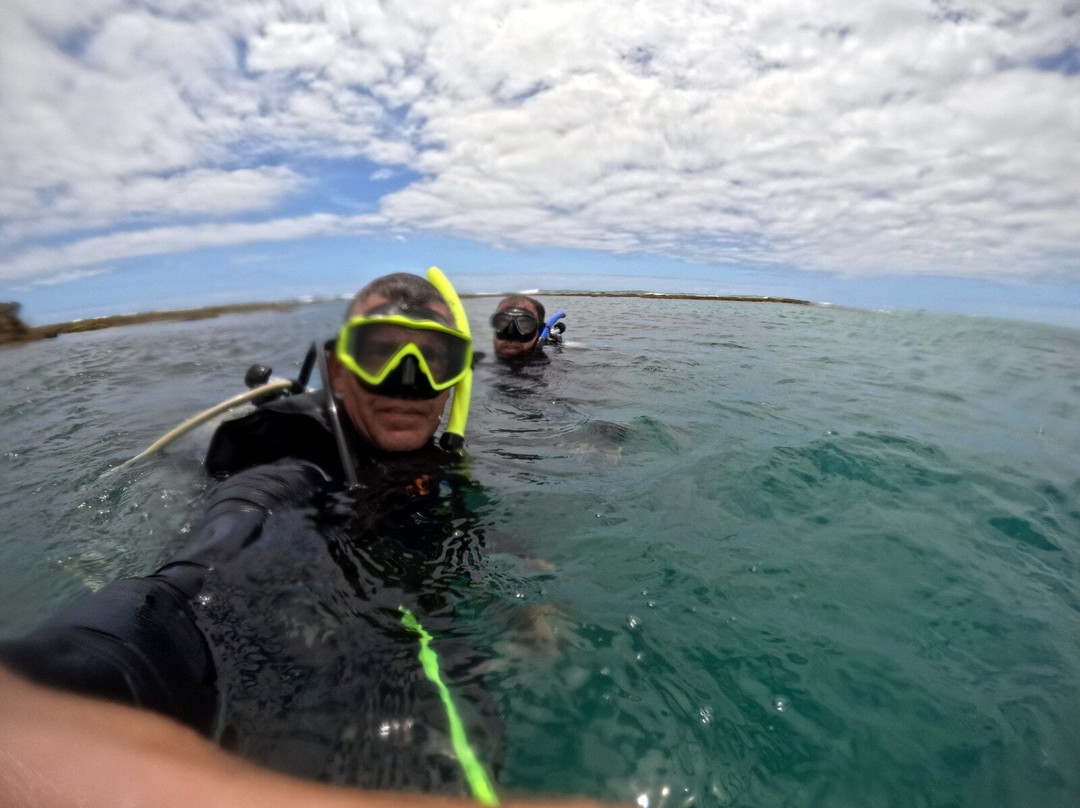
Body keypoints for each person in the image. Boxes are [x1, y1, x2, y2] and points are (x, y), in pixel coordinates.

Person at [0, 269, 608, 808]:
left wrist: (524, 580)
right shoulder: (288, 474)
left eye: (433, 359)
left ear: (456, 378)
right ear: (340, 370)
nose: (408, 380)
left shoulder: (438, 460)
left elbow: (457, 515)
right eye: (382, 354)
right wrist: (50, 696)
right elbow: (183, 595)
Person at [489, 295, 565, 361]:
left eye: (525, 325)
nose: (511, 334)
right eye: (503, 323)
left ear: (539, 331)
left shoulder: (552, 366)